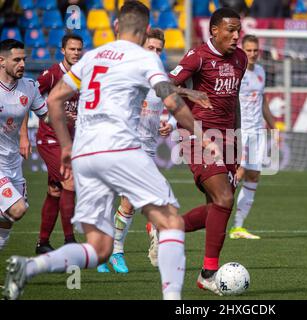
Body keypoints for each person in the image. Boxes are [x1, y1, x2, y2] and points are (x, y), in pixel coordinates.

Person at [2, 1, 212, 301]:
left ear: (116, 26)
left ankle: (28, 267)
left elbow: (54, 100)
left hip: (85, 156)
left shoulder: (91, 58)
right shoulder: (144, 58)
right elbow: (171, 100)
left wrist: (66, 146)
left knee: (98, 248)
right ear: (143, 31)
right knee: (172, 222)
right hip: (119, 147)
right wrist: (202, 135)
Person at [169, 7, 247, 295]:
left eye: (239, 30)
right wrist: (192, 94)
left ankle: (168, 227)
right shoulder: (197, 56)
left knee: (218, 207)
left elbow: (235, 99)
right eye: (231, 30)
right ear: (214, 30)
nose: (236, 36)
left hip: (227, 139)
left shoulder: (241, 58)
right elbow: (163, 85)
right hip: (198, 136)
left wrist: (237, 140)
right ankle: (208, 273)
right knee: (225, 198)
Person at [96, 28, 177, 273]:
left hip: (149, 149)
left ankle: (111, 252)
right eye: (150, 48)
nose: (154, 53)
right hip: (123, 146)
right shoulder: (125, 75)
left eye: (158, 50)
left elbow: (175, 107)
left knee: (131, 203)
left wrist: (169, 124)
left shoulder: (161, 79)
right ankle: (115, 251)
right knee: (126, 200)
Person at [32, 34, 83, 254]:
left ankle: (42, 242)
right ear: (62, 50)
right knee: (69, 183)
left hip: (69, 140)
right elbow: (29, 95)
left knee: (55, 190)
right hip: (50, 138)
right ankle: (70, 241)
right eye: (71, 49)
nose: (76, 53)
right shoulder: (52, 75)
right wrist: (24, 134)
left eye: (79, 49)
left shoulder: (83, 75)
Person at [0, 39, 48, 251]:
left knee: (10, 219)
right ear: (1, 61)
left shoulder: (29, 87)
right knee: (17, 209)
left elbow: (46, 115)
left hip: (13, 162)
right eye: (16, 60)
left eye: (24, 59)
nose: (22, 64)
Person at [229, 35, 277, 240]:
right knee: (237, 173)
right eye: (248, 50)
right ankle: (216, 216)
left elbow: (263, 101)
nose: (252, 54)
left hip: (257, 131)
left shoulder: (260, 72)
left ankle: (238, 227)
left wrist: (274, 127)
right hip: (241, 130)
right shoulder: (236, 72)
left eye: (255, 50)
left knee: (254, 176)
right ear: (242, 50)